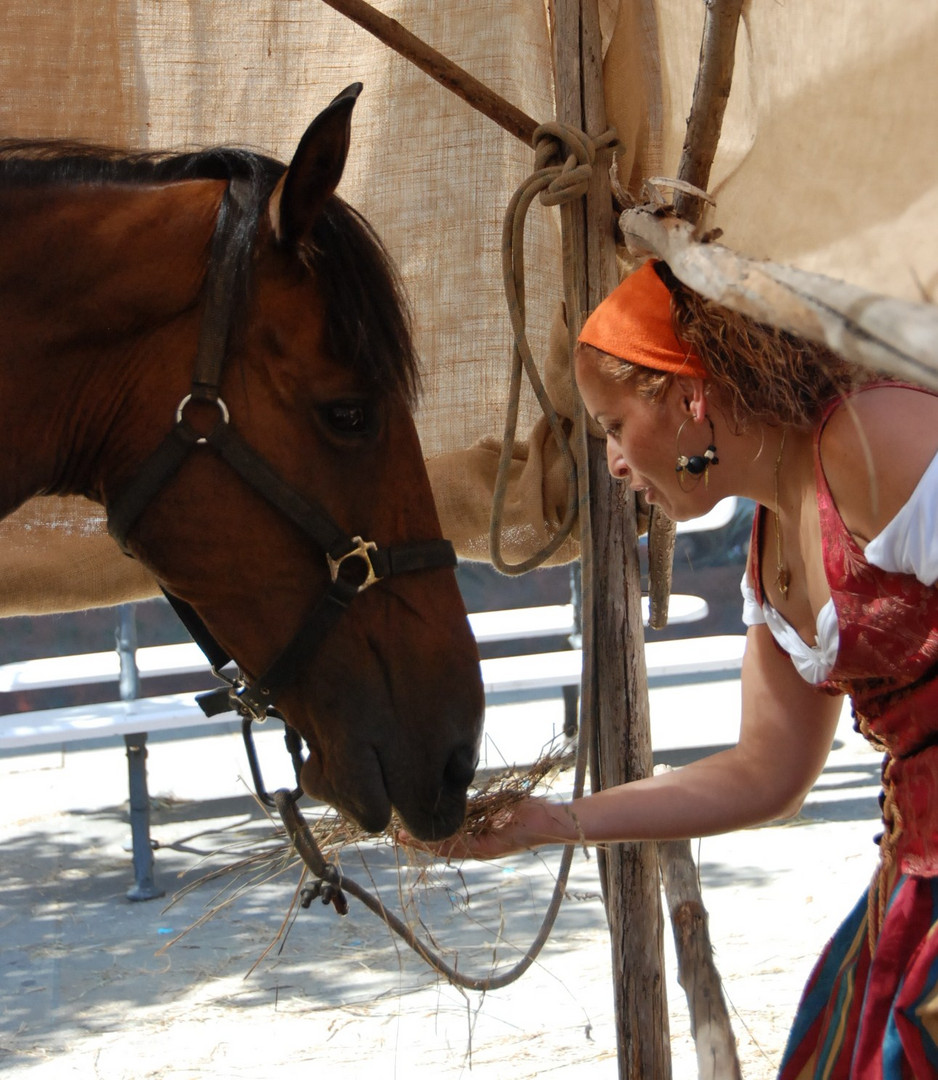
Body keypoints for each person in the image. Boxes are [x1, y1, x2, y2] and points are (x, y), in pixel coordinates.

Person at [406, 259, 938, 1077]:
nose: (614, 463)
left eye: (613, 425)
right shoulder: (770, 562)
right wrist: (558, 821)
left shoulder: (872, 444)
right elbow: (766, 773)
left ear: (688, 396)